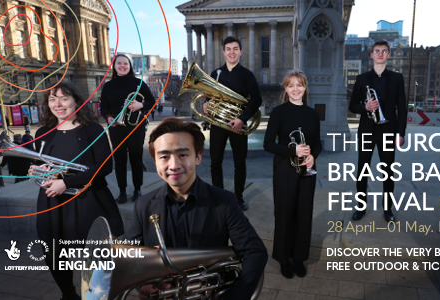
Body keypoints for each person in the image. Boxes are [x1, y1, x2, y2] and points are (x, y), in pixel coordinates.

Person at [126, 118, 267, 300]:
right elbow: (130, 254)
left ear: (198, 157)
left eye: (183, 155)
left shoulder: (224, 202)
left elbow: (255, 251)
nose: (174, 165)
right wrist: (140, 283)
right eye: (164, 157)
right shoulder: (143, 205)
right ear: (155, 161)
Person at [30, 81, 124, 300]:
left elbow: (104, 166)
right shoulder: (43, 132)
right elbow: (44, 164)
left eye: (64, 98)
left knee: (93, 255)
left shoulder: (92, 129)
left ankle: (96, 295)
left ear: (76, 101)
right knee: (54, 254)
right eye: (52, 99)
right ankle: (68, 295)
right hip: (52, 202)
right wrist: (38, 170)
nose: (58, 104)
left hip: (86, 199)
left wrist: (67, 182)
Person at [263, 70, 321, 279]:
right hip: (284, 170)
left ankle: (298, 258)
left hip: (307, 170)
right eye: (291, 85)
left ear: (305, 88)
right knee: (285, 214)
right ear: (286, 89)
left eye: (299, 85)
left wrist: (313, 156)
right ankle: (283, 258)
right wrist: (292, 151)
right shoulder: (278, 112)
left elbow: (318, 143)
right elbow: (268, 144)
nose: (296, 89)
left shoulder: (312, 113)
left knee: (304, 215)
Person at [348, 40, 407, 222]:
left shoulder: (397, 79)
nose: (380, 54)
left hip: (388, 130)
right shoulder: (362, 79)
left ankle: (387, 209)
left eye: (384, 51)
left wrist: (401, 133)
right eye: (377, 51)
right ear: (371, 55)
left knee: (388, 172)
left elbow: (402, 108)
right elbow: (352, 106)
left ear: (388, 55)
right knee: (363, 170)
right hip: (366, 130)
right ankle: (361, 206)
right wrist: (365, 106)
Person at [204, 36, 263, 210]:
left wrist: (242, 119)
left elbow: (257, 99)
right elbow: (209, 97)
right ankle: (219, 196)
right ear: (224, 52)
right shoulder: (216, 74)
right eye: (228, 49)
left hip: (238, 125)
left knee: (240, 163)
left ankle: (238, 197)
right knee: (215, 162)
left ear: (240, 52)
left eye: (235, 49)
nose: (232, 52)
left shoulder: (247, 75)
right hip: (218, 125)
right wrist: (207, 105)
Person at [101, 54, 156, 203]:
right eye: (119, 63)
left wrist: (140, 105)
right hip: (116, 127)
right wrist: (108, 118)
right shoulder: (108, 86)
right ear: (114, 66)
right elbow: (104, 107)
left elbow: (152, 101)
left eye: (125, 63)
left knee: (135, 158)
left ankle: (137, 189)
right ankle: (122, 191)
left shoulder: (138, 83)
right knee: (119, 160)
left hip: (135, 127)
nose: (122, 66)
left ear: (130, 66)